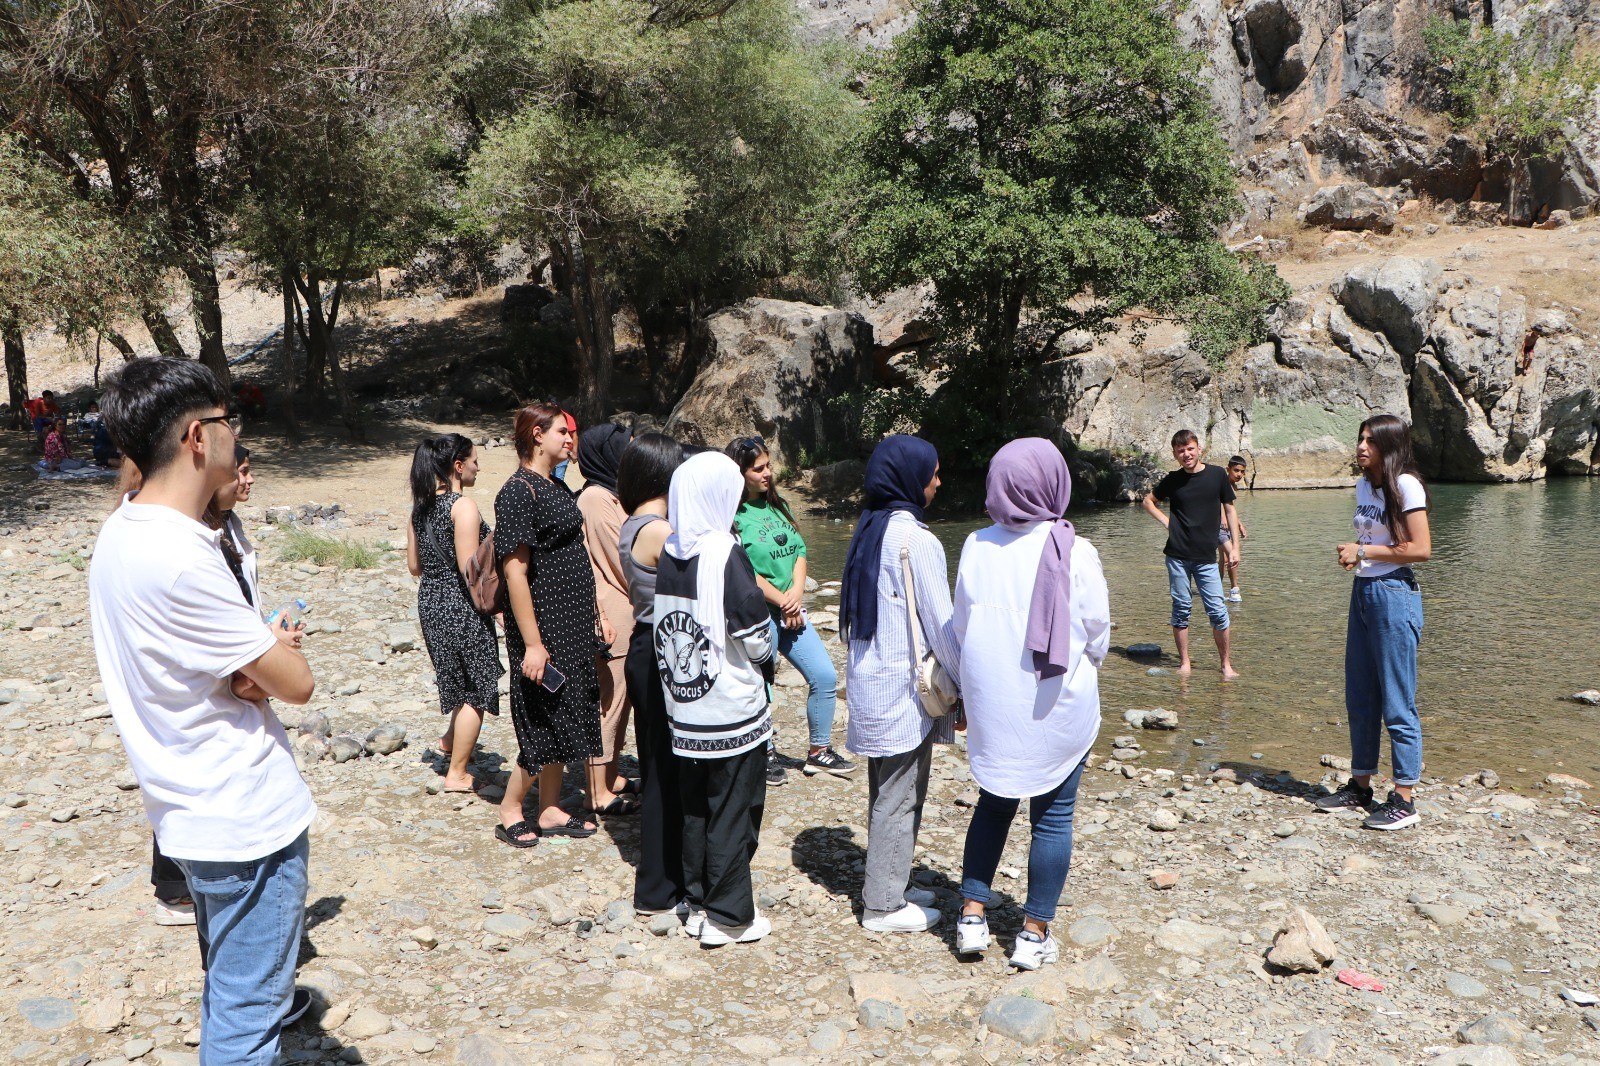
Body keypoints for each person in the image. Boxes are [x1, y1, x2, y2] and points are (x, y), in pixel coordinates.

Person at [90, 358, 316, 1063]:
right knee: (249, 1021)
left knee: (229, 990)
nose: (235, 436)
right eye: (227, 422)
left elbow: (221, 672)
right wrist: (271, 654)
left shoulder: (124, 530)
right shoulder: (184, 555)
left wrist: (254, 667)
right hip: (242, 819)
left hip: (189, 810)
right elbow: (296, 682)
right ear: (197, 437)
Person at [953, 439, 1111, 971]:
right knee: (1053, 816)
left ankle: (972, 917)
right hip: (1056, 702)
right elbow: (1097, 634)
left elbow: (960, 627)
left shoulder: (975, 545)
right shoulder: (1076, 549)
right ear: (1054, 482)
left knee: (993, 804)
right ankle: (1032, 932)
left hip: (994, 702)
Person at [654, 451, 775, 945]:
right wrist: (767, 649)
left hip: (685, 707)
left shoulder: (671, 549)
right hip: (729, 706)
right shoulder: (727, 553)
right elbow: (754, 631)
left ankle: (699, 899)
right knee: (733, 805)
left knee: (696, 807)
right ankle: (729, 917)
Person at [840, 435, 958, 934]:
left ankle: (891, 879)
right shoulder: (918, 541)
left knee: (887, 787)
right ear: (910, 479)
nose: (937, 480)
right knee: (900, 792)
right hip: (905, 691)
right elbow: (943, 628)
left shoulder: (869, 531)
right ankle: (884, 905)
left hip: (871, 684)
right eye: (932, 472)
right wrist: (967, 688)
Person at [494, 403, 611, 845]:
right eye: (562, 432)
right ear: (537, 435)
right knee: (546, 716)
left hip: (574, 622)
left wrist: (597, 613)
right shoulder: (518, 492)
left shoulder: (555, 486)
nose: (569, 439)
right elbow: (515, 573)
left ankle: (550, 808)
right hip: (543, 626)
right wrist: (534, 645)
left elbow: (574, 555)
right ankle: (511, 806)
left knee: (571, 710)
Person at [1316, 414, 1432, 831]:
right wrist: (1359, 554)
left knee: (1398, 702)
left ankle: (1404, 798)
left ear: (1390, 445)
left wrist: (1363, 553)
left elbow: (1420, 549)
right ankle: (1360, 785)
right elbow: (1373, 539)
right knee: (1360, 695)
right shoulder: (1365, 484)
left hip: (1395, 596)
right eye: (1360, 439)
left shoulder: (1406, 485)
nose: (1362, 446)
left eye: (1371, 441)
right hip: (1364, 594)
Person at [726, 436, 853, 785]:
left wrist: (795, 595)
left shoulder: (778, 504)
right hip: (759, 613)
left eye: (768, 466)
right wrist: (782, 602)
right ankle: (762, 753)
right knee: (761, 686)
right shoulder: (731, 517)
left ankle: (818, 751)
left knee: (825, 677)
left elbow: (798, 549)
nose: (768, 474)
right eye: (758, 469)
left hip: (790, 609)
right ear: (739, 474)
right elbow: (744, 572)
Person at [617, 433, 691, 915]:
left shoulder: (634, 524)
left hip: (647, 643)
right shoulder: (659, 531)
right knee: (667, 770)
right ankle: (660, 885)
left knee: (656, 765)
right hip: (662, 646)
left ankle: (663, 878)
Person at [406, 434, 504, 795]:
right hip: (460, 603)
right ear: (458, 466)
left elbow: (414, 566)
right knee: (476, 688)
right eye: (475, 460)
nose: (480, 466)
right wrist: (498, 612)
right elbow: (471, 569)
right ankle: (458, 773)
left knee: (455, 677)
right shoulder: (463, 506)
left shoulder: (420, 507)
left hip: (430, 600)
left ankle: (450, 740)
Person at [576, 421, 641, 816]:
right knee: (609, 703)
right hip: (611, 612)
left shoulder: (611, 495)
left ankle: (611, 774)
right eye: (626, 447)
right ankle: (596, 791)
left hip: (623, 610)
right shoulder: (597, 498)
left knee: (622, 701)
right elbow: (623, 559)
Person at [1141, 429, 1240, 678]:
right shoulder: (1173, 480)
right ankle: (1185, 663)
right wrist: (1167, 522)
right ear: (1175, 454)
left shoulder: (1217, 474)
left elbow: (1230, 511)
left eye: (1190, 449)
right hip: (1177, 556)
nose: (1186, 454)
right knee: (1182, 608)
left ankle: (1225, 664)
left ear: (1199, 449)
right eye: (1180, 451)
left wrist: (1235, 548)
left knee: (1218, 611)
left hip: (1207, 557)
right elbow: (1147, 501)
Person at [1218, 455, 1249, 603]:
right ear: (1228, 469)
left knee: (1223, 558)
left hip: (1226, 525)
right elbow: (1218, 502)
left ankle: (1216, 590)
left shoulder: (1232, 485)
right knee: (1232, 555)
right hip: (1219, 525)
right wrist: (1223, 518)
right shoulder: (1223, 483)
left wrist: (1239, 524)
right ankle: (1235, 589)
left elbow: (1231, 508)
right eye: (1236, 470)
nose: (1239, 474)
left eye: (1242, 472)